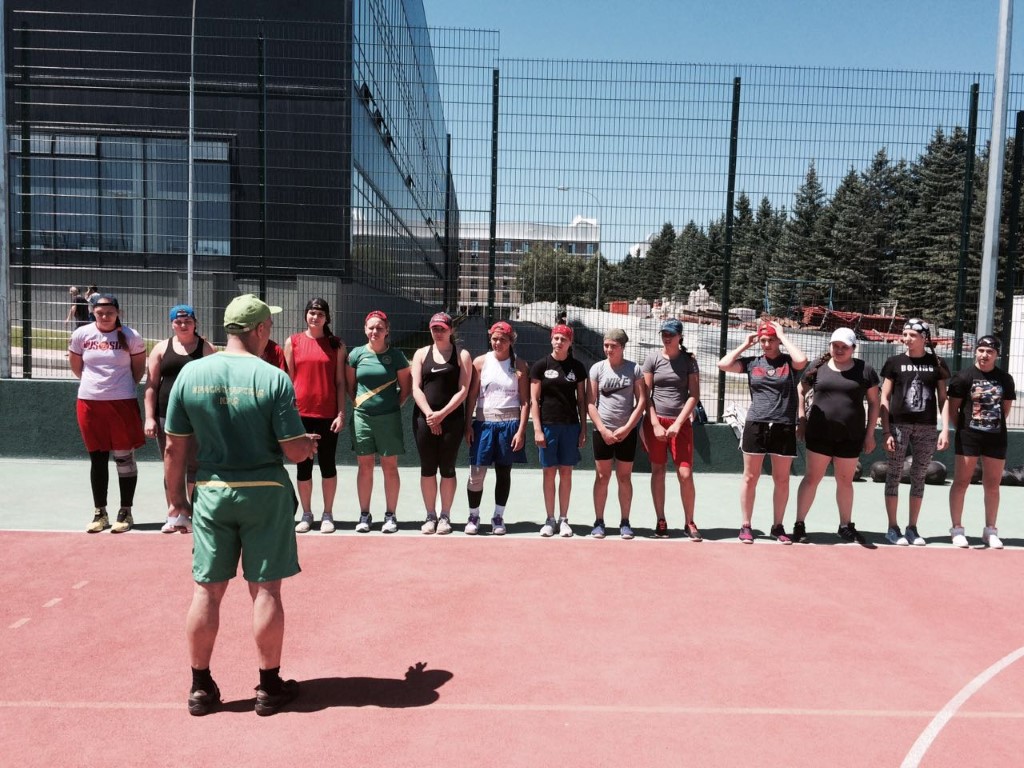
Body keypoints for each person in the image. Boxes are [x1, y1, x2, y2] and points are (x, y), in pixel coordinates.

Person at [163, 293, 318, 717]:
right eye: (270, 326)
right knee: (266, 589)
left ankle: (200, 687)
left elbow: (174, 448)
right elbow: (293, 450)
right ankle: (269, 687)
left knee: (207, 590)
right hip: (264, 492)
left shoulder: (191, 374)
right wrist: (307, 445)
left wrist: (177, 501)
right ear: (261, 329)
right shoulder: (273, 377)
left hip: (212, 492)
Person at [717, 320, 808, 544]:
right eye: (763, 340)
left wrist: (783, 336)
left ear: (778, 341)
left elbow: (802, 360)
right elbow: (723, 364)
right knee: (750, 477)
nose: (767, 344)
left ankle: (778, 526)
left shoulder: (788, 362)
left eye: (771, 340)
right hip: (756, 424)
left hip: (783, 424)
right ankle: (746, 525)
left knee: (782, 479)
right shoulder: (752, 362)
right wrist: (745, 345)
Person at [67, 294, 147, 534]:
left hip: (122, 403)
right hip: (90, 403)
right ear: (93, 312)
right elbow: (77, 367)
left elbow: (138, 370)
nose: (104, 316)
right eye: (100, 312)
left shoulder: (132, 336)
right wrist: (95, 386)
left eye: (110, 312)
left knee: (124, 458)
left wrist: (119, 388)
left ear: (118, 313)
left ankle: (125, 511)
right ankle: (100, 512)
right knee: (98, 458)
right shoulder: (81, 334)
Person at [793, 327, 880, 545]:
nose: (839, 350)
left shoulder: (865, 370)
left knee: (845, 481)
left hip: (851, 436)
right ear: (830, 345)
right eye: (835, 346)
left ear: (853, 348)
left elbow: (874, 403)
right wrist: (801, 419)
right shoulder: (817, 367)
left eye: (844, 347)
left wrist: (870, 434)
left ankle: (845, 526)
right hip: (819, 434)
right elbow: (800, 390)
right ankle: (799, 524)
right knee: (812, 478)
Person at [144, 304, 218, 533]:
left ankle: (194, 514)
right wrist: (149, 418)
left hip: (197, 417)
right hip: (166, 416)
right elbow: (151, 386)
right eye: (178, 322)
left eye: (188, 321)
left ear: (195, 323)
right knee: (171, 466)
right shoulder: (160, 348)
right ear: (172, 324)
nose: (183, 325)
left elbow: (215, 383)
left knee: (195, 466)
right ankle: (174, 514)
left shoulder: (206, 348)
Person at [879, 318, 950, 546]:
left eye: (912, 335)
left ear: (924, 338)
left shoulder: (937, 363)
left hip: (927, 427)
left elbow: (943, 399)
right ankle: (892, 528)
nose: (906, 339)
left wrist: (945, 429)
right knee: (894, 474)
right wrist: (886, 431)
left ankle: (912, 528)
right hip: (898, 426)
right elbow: (884, 397)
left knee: (919, 476)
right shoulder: (894, 362)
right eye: (905, 334)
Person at [945, 335, 1016, 548]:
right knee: (961, 482)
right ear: (976, 351)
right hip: (968, 438)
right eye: (981, 350)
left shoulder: (1005, 379)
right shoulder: (963, 377)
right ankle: (957, 529)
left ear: (997, 355)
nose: (984, 355)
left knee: (992, 485)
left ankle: (990, 531)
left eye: (990, 352)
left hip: (996, 438)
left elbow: (1005, 410)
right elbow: (953, 409)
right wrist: (965, 430)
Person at [285, 298, 347, 534]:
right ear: (306, 315)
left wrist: (341, 413)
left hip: (328, 415)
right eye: (312, 313)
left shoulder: (336, 345)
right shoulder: (293, 342)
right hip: (300, 415)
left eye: (320, 314)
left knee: (328, 465)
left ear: (327, 318)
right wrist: (289, 415)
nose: (315, 317)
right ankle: (306, 514)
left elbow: (340, 382)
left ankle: (327, 514)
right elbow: (288, 381)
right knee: (304, 466)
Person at [346, 310, 411, 533]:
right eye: (371, 327)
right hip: (362, 418)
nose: (375, 331)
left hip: (389, 419)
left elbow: (406, 389)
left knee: (389, 467)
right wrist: (361, 406)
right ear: (365, 329)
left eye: (380, 328)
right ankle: (364, 515)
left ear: (387, 331)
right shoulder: (355, 355)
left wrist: (391, 408)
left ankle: (390, 516)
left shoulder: (397, 356)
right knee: (365, 467)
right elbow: (350, 386)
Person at [464, 321, 530, 535]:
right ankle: (473, 516)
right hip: (483, 425)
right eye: (494, 339)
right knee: (476, 474)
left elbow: (525, 401)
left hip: (509, 426)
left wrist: (521, 431)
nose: (497, 343)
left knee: (503, 473)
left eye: (502, 339)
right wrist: (468, 425)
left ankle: (498, 517)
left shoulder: (520, 365)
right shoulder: (480, 362)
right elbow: (472, 396)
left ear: (511, 341)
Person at [411, 312, 472, 535]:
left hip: (452, 420)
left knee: (447, 468)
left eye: (442, 329)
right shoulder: (420, 354)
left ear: (451, 330)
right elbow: (416, 387)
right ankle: (430, 515)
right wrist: (430, 415)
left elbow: (463, 390)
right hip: (423, 420)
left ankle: (445, 516)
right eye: (434, 328)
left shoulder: (462, 355)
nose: (438, 332)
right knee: (428, 468)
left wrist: (442, 415)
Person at [642, 318, 701, 540]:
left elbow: (694, 395)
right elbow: (646, 395)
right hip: (656, 424)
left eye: (671, 334)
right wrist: (655, 424)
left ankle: (689, 521)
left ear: (680, 337)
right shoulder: (652, 359)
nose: (667, 337)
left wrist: (678, 423)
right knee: (658, 471)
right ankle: (661, 520)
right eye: (664, 334)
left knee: (685, 474)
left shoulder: (689, 361)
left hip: (680, 425)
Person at [587, 328, 647, 539]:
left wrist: (628, 427)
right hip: (602, 432)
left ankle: (625, 522)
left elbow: (641, 401)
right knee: (602, 477)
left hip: (626, 433)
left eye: (613, 346)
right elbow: (590, 403)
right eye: (606, 345)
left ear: (622, 347)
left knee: (624, 477)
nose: (609, 349)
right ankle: (599, 522)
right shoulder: (597, 369)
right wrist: (603, 429)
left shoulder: (634, 369)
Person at [531, 324, 588, 537]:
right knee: (549, 472)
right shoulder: (540, 366)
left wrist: (583, 428)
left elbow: (581, 400)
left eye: (563, 339)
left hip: (570, 427)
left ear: (570, 342)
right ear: (551, 340)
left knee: (566, 472)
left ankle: (563, 519)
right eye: (556, 338)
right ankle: (550, 519)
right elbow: (534, 400)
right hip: (547, 426)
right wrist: (537, 429)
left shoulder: (577, 367)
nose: (559, 342)